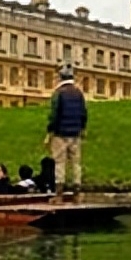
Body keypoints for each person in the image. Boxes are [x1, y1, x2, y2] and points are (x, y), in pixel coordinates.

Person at [45, 65, 87, 200]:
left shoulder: (58, 93)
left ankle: (59, 194)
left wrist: (50, 132)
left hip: (60, 133)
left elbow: (54, 115)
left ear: (60, 77)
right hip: (76, 133)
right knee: (76, 163)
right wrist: (82, 128)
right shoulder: (78, 93)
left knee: (60, 163)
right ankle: (77, 193)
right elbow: (83, 113)